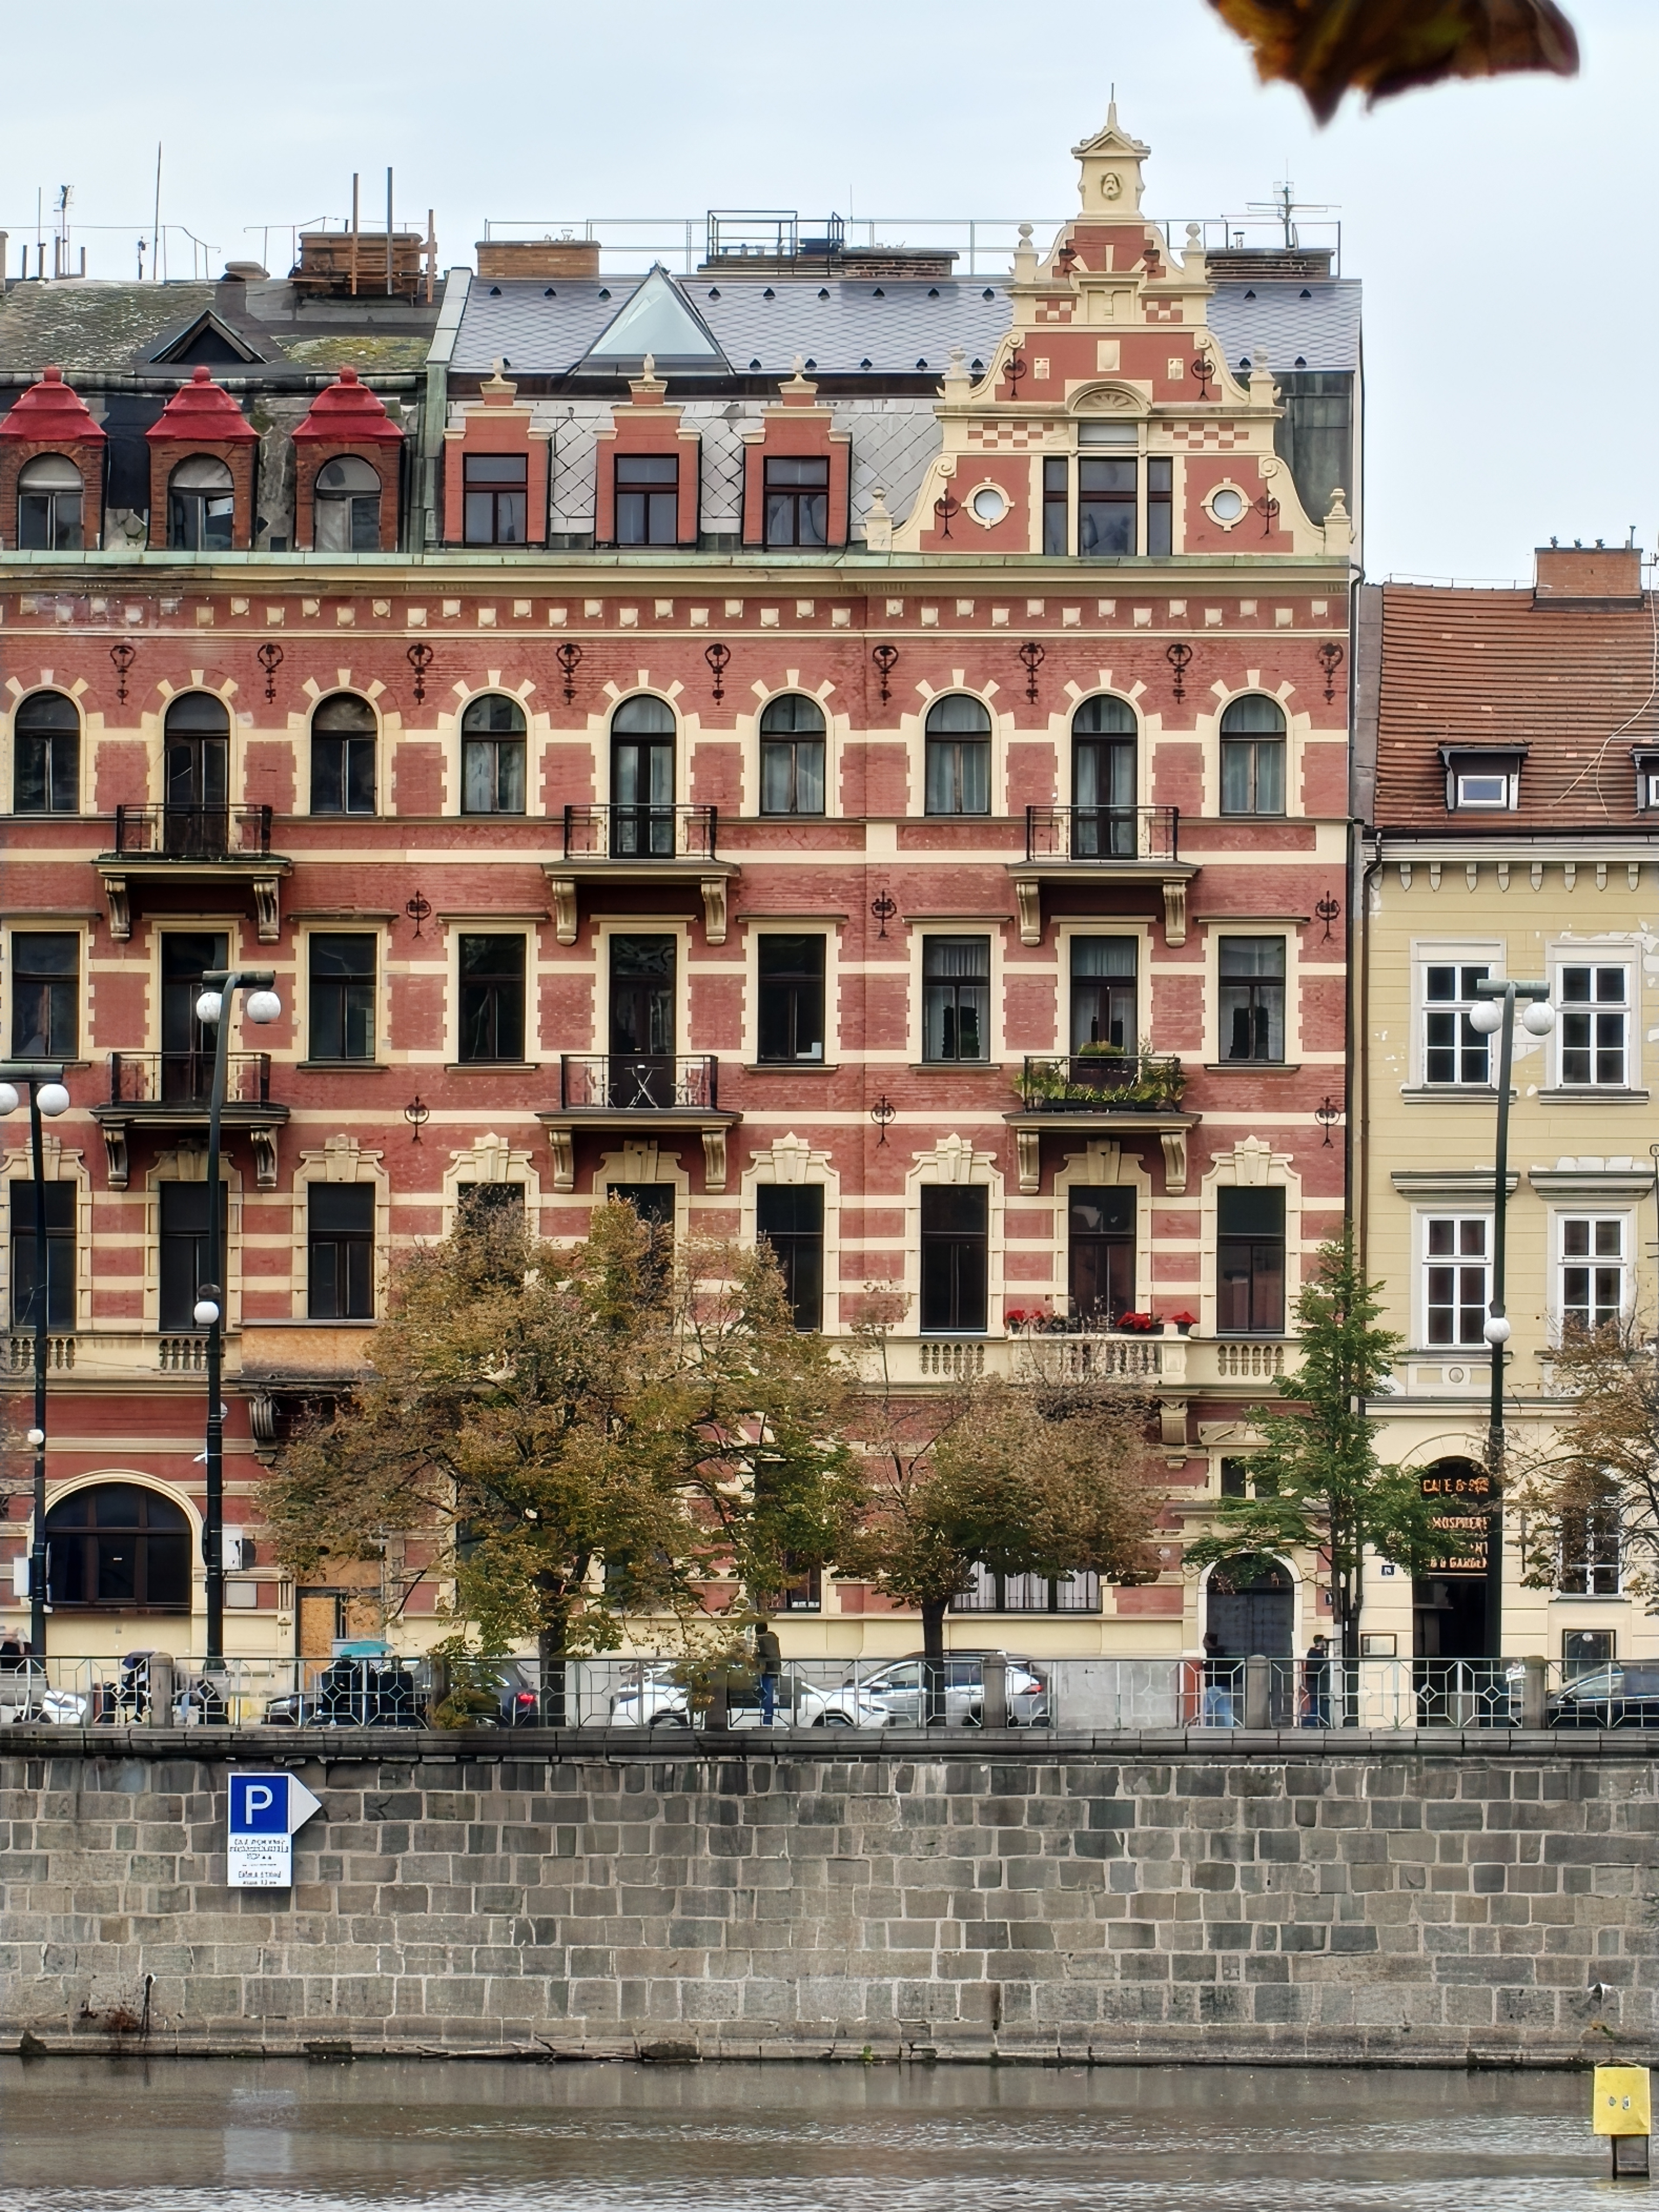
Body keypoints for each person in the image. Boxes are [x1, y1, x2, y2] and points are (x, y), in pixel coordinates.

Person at [1201, 1629, 1235, 1727]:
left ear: (1208, 1642)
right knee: (1226, 1709)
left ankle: (1202, 1724)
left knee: (1207, 1708)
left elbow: (1211, 1668)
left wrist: (1204, 1666)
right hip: (1223, 1685)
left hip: (1214, 1685)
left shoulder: (1211, 1654)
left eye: (1205, 1640)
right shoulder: (1221, 1654)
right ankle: (1230, 1726)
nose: (1203, 1643)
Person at [754, 1618, 783, 1727]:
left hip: (766, 1669)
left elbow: (759, 1654)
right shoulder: (773, 1637)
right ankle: (768, 1718)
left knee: (766, 1694)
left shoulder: (762, 1639)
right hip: (775, 1668)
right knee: (769, 1694)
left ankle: (766, 1719)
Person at [1303, 1634, 1332, 1728]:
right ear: (1320, 1642)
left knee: (1316, 1700)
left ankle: (1318, 1720)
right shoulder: (1316, 1653)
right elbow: (1318, 1666)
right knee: (1316, 1700)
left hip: (1314, 1681)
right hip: (1315, 1681)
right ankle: (1316, 1720)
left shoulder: (1313, 1652)